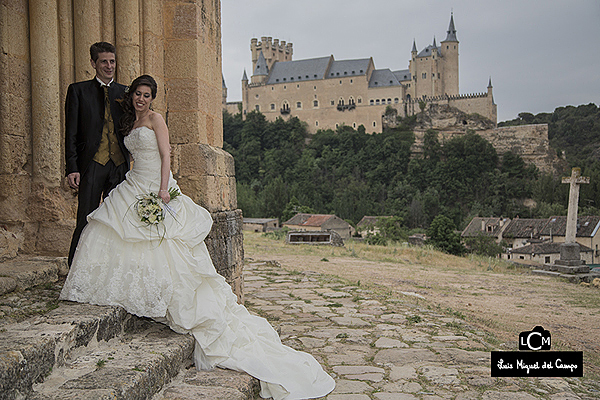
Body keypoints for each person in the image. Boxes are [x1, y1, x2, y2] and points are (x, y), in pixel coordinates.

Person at [60, 75, 335, 400]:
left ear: (153, 98)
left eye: (147, 95)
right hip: (134, 182)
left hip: (155, 187)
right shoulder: (130, 121)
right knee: (105, 228)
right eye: (138, 94)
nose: (142, 99)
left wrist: (163, 190)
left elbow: (166, 156)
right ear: (131, 95)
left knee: (166, 247)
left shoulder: (156, 119)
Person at [65, 42, 129, 266]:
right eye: (104, 61)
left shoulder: (125, 92)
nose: (109, 66)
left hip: (119, 164)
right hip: (91, 164)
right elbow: (71, 131)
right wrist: (72, 166)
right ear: (93, 63)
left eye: (112, 61)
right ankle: (76, 268)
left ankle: (111, 268)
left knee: (117, 220)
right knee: (86, 218)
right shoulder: (78, 90)